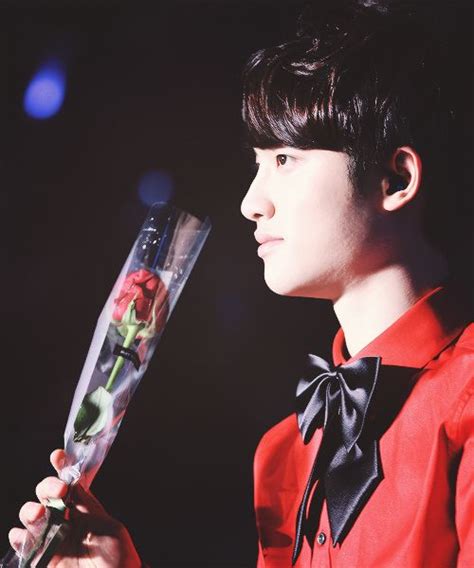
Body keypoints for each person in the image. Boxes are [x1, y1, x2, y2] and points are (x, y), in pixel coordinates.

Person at [9, 1, 473, 566]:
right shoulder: (284, 452)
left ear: (396, 177)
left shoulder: (465, 405)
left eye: (284, 158)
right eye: (257, 163)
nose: (252, 203)